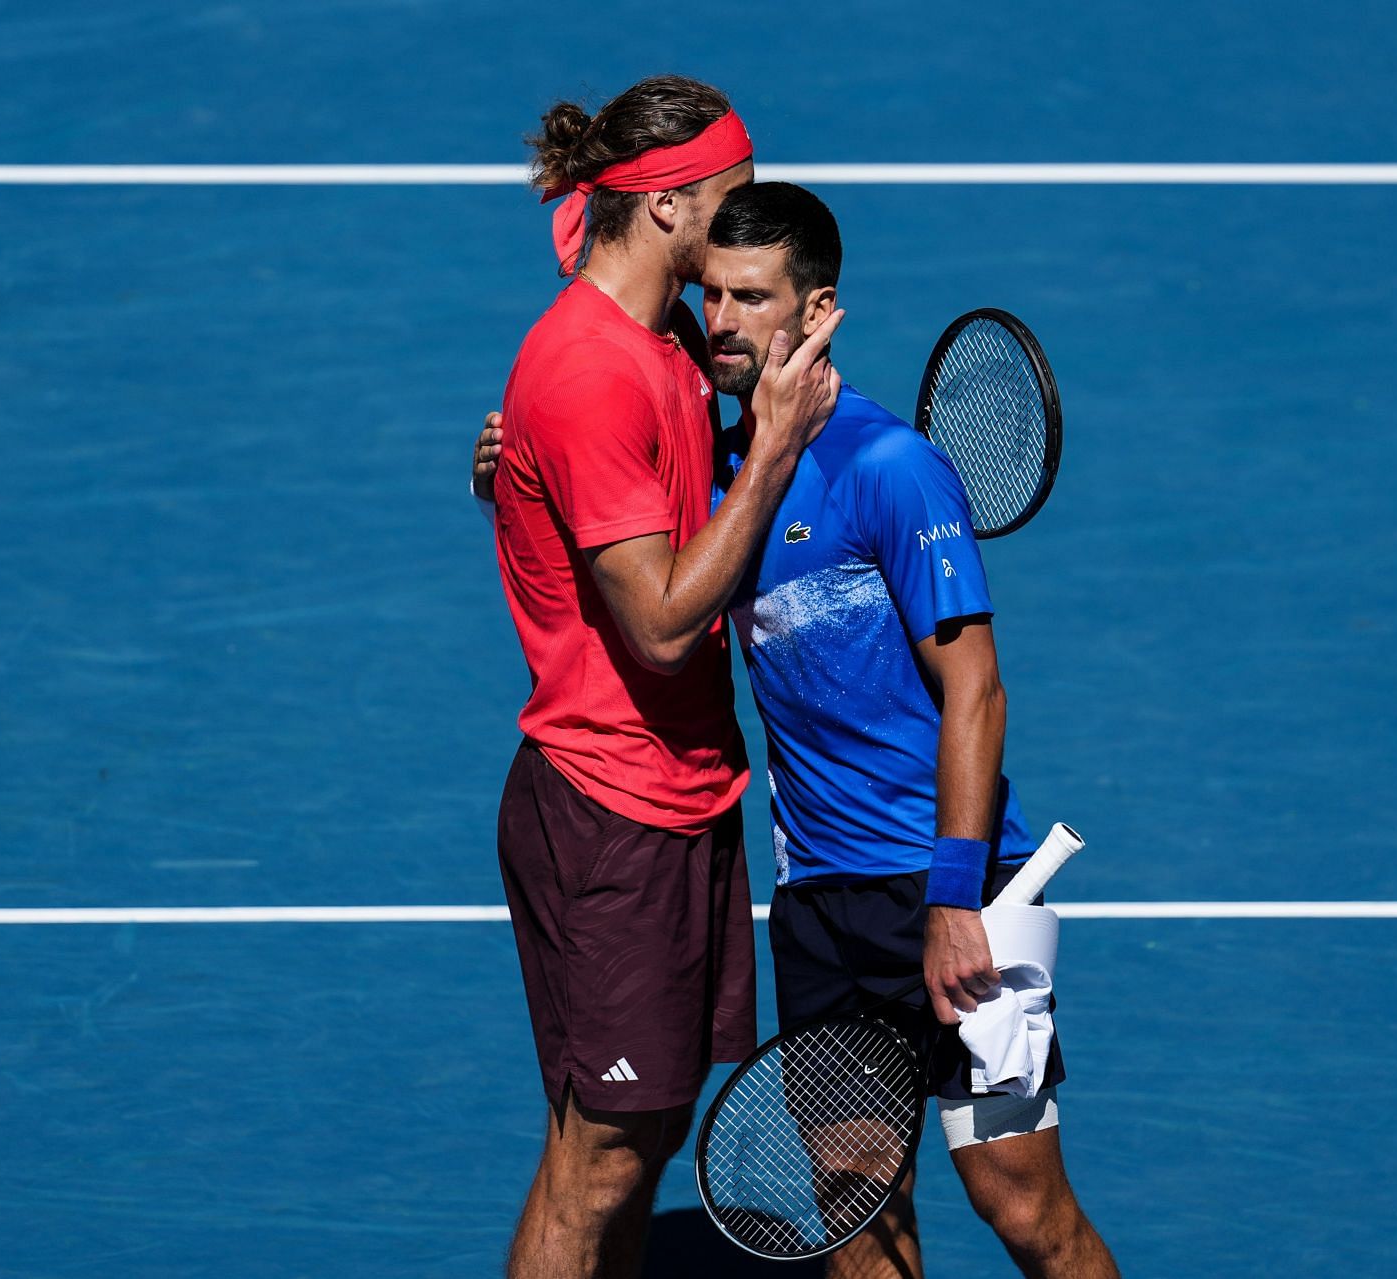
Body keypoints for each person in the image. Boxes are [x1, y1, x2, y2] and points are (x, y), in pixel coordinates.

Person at [477, 182, 1116, 1279]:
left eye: (753, 297)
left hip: (956, 889)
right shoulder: (729, 473)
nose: (720, 320)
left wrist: (954, 899)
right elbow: (620, 534)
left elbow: (979, 695)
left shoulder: (891, 469)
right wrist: (511, 463)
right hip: (821, 906)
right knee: (855, 1219)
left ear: (816, 311)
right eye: (711, 294)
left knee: (1022, 1205)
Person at [487, 80, 843, 1279]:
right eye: (733, 195)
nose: (750, 213)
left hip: (680, 795)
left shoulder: (658, 327)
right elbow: (661, 624)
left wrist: (509, 462)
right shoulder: (593, 372)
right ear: (668, 202)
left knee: (638, 1136)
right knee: (598, 1162)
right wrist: (782, 445)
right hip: (611, 812)